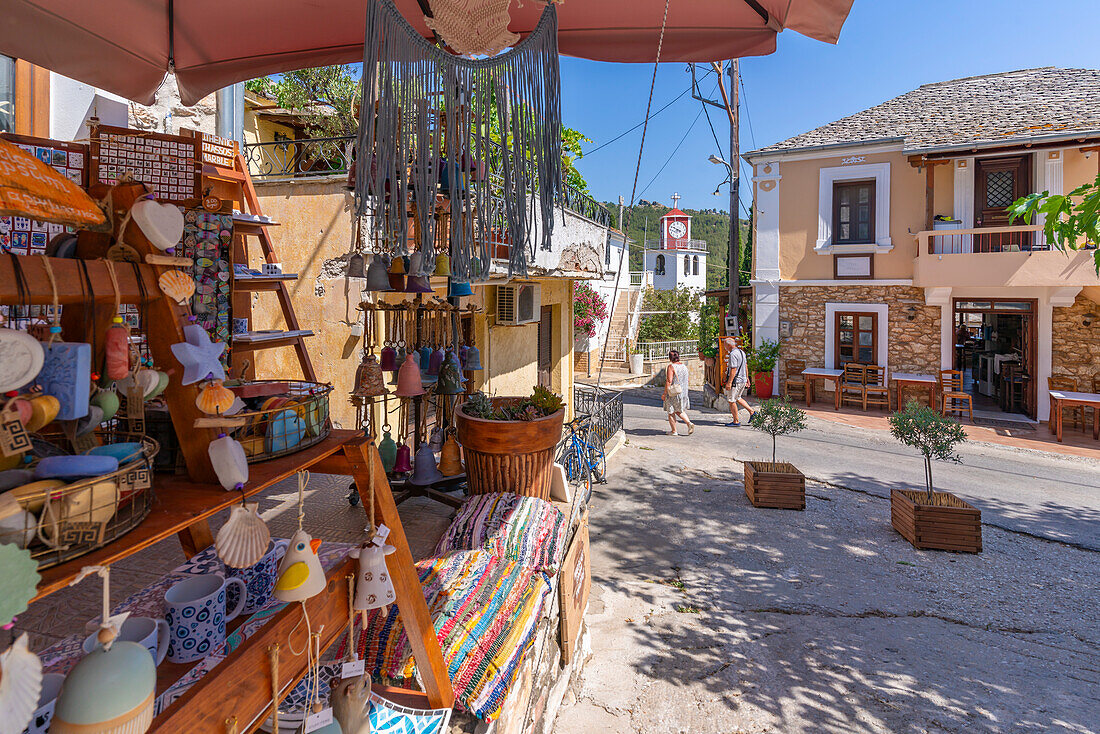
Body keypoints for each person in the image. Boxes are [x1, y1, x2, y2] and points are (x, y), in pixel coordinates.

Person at [722, 336, 756, 427]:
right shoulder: (742, 352)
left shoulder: (733, 354)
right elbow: (745, 366)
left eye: (724, 344)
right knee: (738, 398)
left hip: (735, 381)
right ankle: (752, 412)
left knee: (731, 400)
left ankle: (736, 421)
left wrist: (729, 382)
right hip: (742, 379)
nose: (724, 347)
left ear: (728, 345)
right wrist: (747, 378)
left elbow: (733, 369)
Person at [662, 349, 694, 436]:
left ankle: (674, 431)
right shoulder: (684, 366)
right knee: (679, 410)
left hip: (673, 392)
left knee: (671, 411)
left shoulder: (671, 367)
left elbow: (669, 381)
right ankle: (689, 423)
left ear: (670, 358)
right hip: (683, 392)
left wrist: (665, 393)